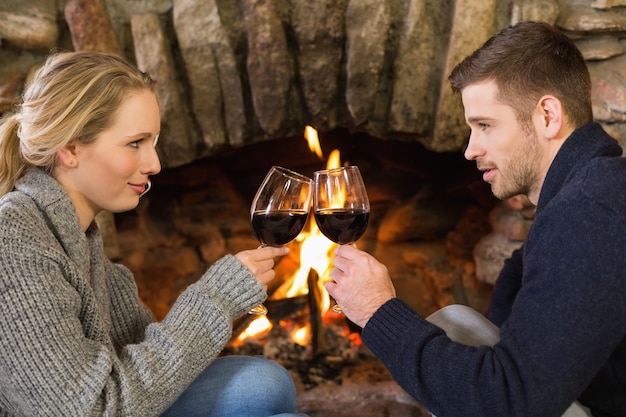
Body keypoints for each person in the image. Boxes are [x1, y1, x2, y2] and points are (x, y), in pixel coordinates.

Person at [326, 21, 626, 417]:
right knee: (458, 322)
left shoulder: (588, 212)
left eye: (485, 125)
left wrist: (376, 311)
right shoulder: (590, 193)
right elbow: (511, 337)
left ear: (548, 116)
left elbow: (507, 402)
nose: (470, 150)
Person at [0, 51, 307, 417]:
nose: (155, 164)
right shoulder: (14, 239)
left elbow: (151, 367)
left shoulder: (79, 238)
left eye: (154, 142)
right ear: (70, 149)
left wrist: (234, 302)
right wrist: (216, 299)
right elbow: (91, 409)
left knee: (267, 382)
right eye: (135, 143)